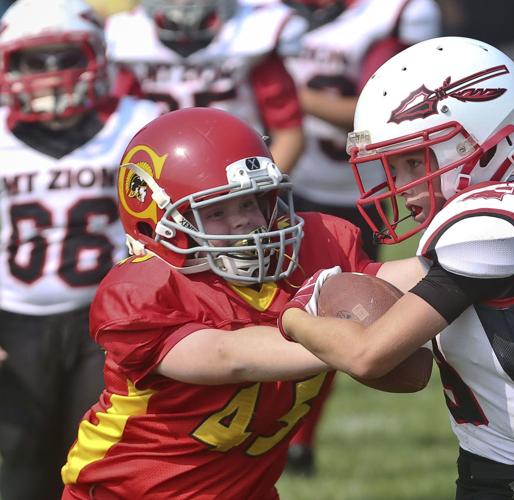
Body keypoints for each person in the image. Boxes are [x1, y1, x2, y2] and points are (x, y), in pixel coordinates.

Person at [279, 36, 514, 500]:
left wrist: (292, 314)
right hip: (509, 465)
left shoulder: (488, 228)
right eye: (395, 167)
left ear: (485, 138)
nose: (403, 186)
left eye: (415, 160)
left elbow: (368, 354)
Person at [60, 106, 431, 499]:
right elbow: (228, 355)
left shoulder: (309, 251)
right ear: (157, 221)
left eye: (250, 202)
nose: (243, 222)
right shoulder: (145, 290)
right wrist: (355, 343)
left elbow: (401, 280)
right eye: (216, 211)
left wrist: (479, 249)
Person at [0, 0, 162, 498]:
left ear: (96, 56)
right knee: (20, 466)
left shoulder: (138, 123)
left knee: (99, 460)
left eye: (64, 57)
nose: (50, 75)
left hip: (107, 321)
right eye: (35, 61)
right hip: (13, 320)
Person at [276, 0, 440, 474]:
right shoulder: (262, 17)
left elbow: (380, 114)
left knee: (338, 310)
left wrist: (289, 96)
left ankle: (301, 442)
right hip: (289, 186)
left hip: (359, 193)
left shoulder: (391, 14)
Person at [105, 0, 306, 173]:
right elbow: (123, 129)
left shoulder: (255, 31)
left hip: (244, 168)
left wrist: (260, 189)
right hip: (162, 175)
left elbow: (288, 133)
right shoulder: (128, 36)